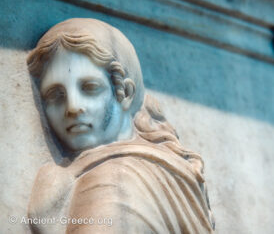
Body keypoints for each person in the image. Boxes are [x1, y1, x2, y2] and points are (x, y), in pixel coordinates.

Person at [27, 18, 214, 233]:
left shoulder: (114, 181)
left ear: (125, 93)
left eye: (89, 87)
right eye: (55, 95)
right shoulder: (163, 170)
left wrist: (47, 221)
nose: (72, 107)